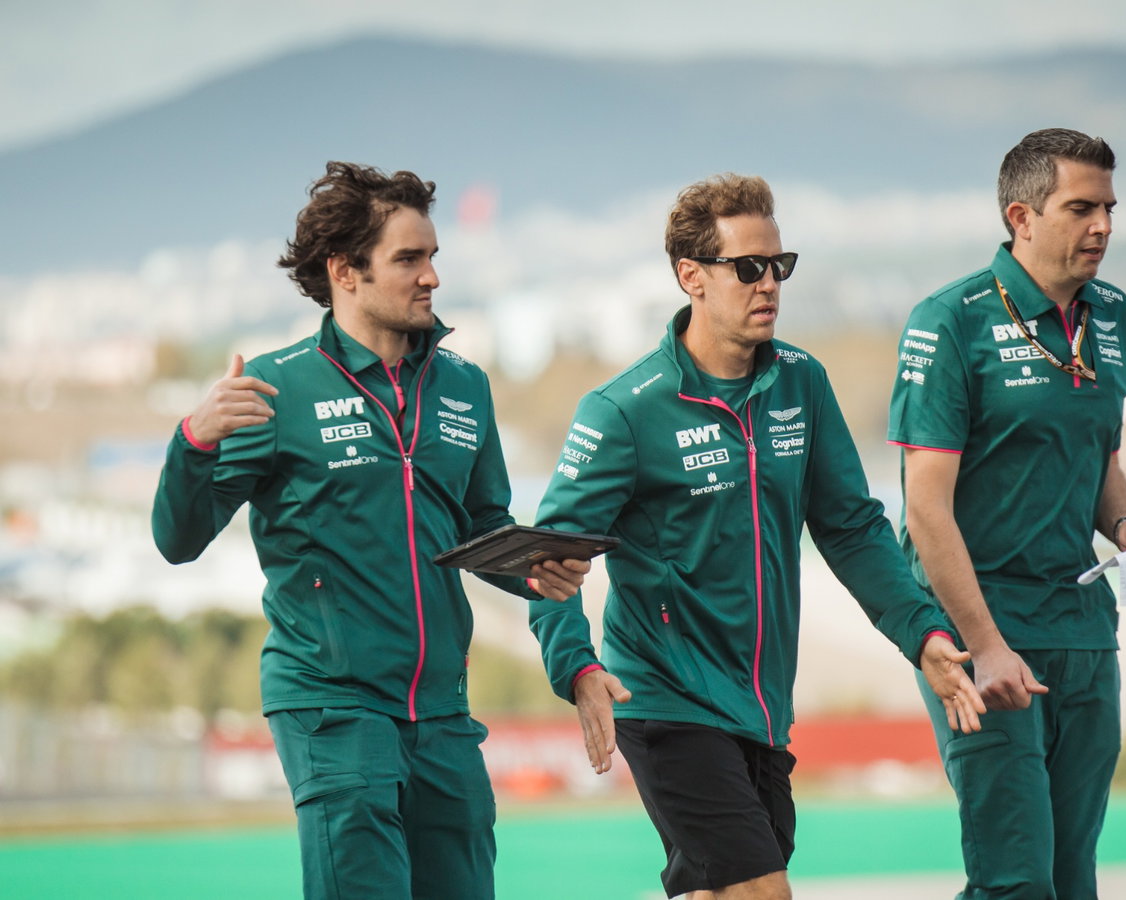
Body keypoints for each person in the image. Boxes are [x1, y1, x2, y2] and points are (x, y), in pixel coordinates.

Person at [528, 173, 985, 900]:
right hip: (666, 701)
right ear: (691, 277)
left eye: (780, 265)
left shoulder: (802, 381)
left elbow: (854, 530)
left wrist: (922, 635)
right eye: (748, 267)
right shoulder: (623, 410)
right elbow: (547, 558)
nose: (769, 283)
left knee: (715, 892)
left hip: (764, 709)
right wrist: (576, 667)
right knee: (761, 892)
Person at [151, 161, 589, 899]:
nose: (432, 278)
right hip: (333, 706)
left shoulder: (464, 384)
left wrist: (536, 566)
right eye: (409, 259)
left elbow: (481, 527)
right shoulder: (275, 387)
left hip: (445, 714)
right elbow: (177, 539)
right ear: (345, 272)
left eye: (434, 257)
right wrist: (194, 440)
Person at [887, 128, 1126, 899]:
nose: (1103, 226)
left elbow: (1101, 459)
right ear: (1022, 215)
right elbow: (925, 512)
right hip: (983, 634)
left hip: (1083, 629)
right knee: (1015, 882)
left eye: (1110, 208)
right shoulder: (948, 320)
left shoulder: (1114, 313)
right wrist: (983, 648)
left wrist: (1124, 525)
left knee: (1071, 880)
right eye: (1081, 208)